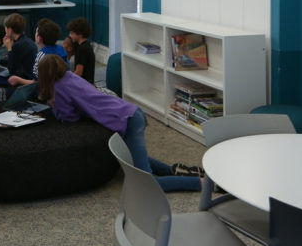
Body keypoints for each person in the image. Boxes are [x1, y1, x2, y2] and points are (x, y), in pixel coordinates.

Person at [36, 54, 201, 192]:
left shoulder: (59, 88)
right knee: (133, 158)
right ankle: (175, 170)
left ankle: (202, 184)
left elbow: (68, 117)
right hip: (129, 113)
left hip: (127, 120)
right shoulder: (70, 76)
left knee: (147, 184)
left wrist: (53, 103)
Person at [8, 17, 67, 87]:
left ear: (39, 38)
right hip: (62, 86)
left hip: (48, 91)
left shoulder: (41, 55)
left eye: (36, 32)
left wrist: (17, 79)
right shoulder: (61, 49)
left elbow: (36, 83)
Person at [0, 13, 36, 89]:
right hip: (30, 75)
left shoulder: (17, 46)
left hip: (21, 80)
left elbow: (11, 69)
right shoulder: (27, 40)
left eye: (5, 27)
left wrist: (9, 48)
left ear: (10, 30)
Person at [67, 17, 96, 83]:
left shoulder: (82, 49)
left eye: (72, 33)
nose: (70, 35)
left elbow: (78, 72)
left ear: (80, 34)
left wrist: (68, 82)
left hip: (83, 86)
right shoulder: (86, 45)